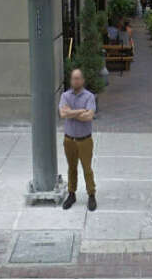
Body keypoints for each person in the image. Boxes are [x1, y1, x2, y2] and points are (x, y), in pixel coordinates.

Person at [58, 68, 97, 211]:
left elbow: (88, 116)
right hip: (69, 139)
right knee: (71, 168)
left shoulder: (89, 97)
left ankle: (91, 195)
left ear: (83, 80)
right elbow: (63, 114)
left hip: (85, 140)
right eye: (73, 78)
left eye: (78, 78)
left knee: (87, 169)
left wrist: (71, 112)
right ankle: (71, 194)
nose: (75, 81)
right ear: (71, 80)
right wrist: (80, 110)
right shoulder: (65, 96)